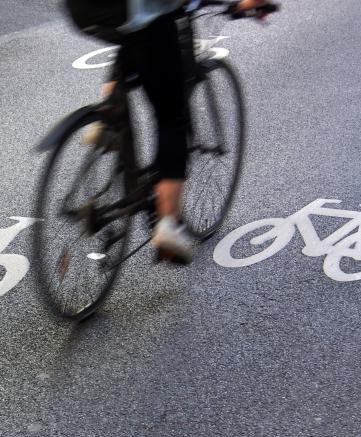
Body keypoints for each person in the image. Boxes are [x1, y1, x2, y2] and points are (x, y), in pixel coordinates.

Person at [64, 0, 274, 264]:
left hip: (81, 9)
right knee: (172, 115)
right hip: (133, 7)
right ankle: (168, 224)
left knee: (134, 39)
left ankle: (109, 117)